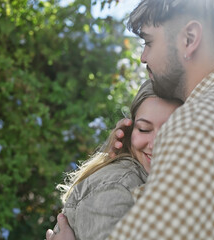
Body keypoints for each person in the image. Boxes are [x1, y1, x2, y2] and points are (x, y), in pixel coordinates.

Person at [49, 0, 214, 239]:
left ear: (189, 38)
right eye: (145, 128)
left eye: (148, 41)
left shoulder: (199, 125)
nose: (142, 57)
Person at [46, 79, 180, 240]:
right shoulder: (118, 187)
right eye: (144, 129)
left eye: (172, 130)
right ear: (130, 130)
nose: (155, 144)